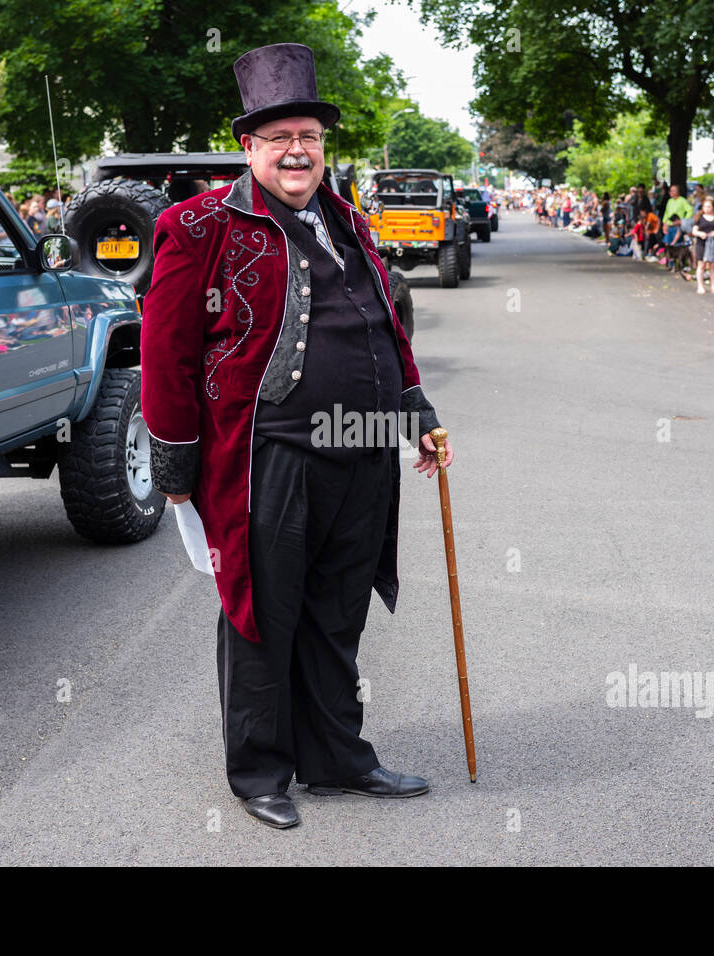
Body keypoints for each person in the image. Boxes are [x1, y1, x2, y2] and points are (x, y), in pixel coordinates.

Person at [139, 43, 448, 830]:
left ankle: (337, 758)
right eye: (278, 138)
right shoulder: (197, 224)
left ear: (323, 146)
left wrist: (419, 416)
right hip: (267, 454)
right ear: (249, 148)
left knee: (336, 611)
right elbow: (166, 349)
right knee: (261, 614)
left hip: (363, 447)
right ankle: (259, 772)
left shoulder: (348, 220)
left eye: (308, 135)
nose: (296, 150)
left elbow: (385, 327)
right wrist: (174, 459)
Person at [692, 196, 714, 294]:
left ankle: (713, 286)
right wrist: (700, 234)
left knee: (713, 265)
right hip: (702, 244)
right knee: (701, 264)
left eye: (709, 207)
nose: (707, 209)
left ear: (712, 207)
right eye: (705, 207)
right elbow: (694, 231)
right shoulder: (699, 218)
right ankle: (700, 286)